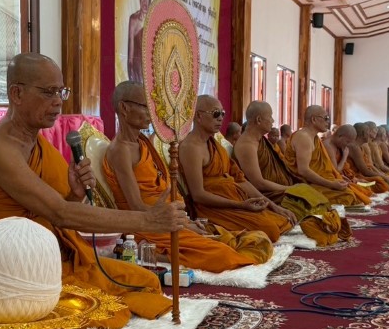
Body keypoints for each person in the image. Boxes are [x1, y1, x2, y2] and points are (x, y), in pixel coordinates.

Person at [0, 53, 188, 329]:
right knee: (107, 313)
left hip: (51, 256)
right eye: (48, 92)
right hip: (12, 268)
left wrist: (75, 193)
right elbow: (60, 213)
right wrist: (148, 221)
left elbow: (54, 211)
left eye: (61, 91)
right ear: (16, 93)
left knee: (146, 281)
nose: (58, 101)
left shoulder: (35, 143)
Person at [102, 82, 273, 270]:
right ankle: (156, 253)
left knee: (254, 240)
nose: (151, 113)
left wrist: (185, 221)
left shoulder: (142, 143)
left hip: (171, 218)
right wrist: (181, 223)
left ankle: (169, 252)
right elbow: (137, 207)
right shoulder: (121, 150)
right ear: (124, 108)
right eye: (145, 106)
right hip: (150, 225)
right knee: (226, 255)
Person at [232, 101, 350, 245]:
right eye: (270, 116)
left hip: (282, 187)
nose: (273, 121)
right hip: (270, 193)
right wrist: (290, 188)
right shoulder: (247, 145)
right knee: (308, 206)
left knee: (318, 202)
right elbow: (258, 183)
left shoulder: (261, 141)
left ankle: (326, 224)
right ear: (258, 119)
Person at [179, 95, 295, 242]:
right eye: (215, 113)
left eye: (222, 114)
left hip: (236, 200)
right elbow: (198, 195)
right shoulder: (191, 147)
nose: (221, 118)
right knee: (271, 230)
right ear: (198, 116)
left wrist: (273, 206)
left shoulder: (215, 145)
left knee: (284, 220)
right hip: (213, 208)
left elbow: (240, 180)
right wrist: (240, 205)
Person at [286, 105, 369, 207]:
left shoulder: (314, 138)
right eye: (326, 118)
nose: (328, 122)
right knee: (347, 196)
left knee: (352, 191)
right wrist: (331, 184)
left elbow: (323, 168)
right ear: (314, 119)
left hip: (315, 181)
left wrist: (337, 176)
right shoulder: (303, 137)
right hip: (304, 183)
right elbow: (303, 171)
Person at [126, 0, 153, 82]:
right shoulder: (133, 20)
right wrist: (132, 81)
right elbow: (130, 59)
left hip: (150, 79)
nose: (145, 0)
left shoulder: (154, 21)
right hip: (137, 77)